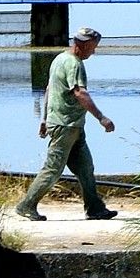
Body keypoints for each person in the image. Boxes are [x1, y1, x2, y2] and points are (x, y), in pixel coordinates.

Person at [14, 28, 119, 220]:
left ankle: (94, 208)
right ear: (85, 45)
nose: (93, 52)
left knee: (85, 167)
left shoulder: (59, 59)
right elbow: (79, 92)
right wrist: (101, 118)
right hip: (65, 126)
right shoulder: (73, 64)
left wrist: (44, 119)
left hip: (73, 125)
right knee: (53, 168)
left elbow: (49, 89)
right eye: (93, 48)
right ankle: (27, 205)